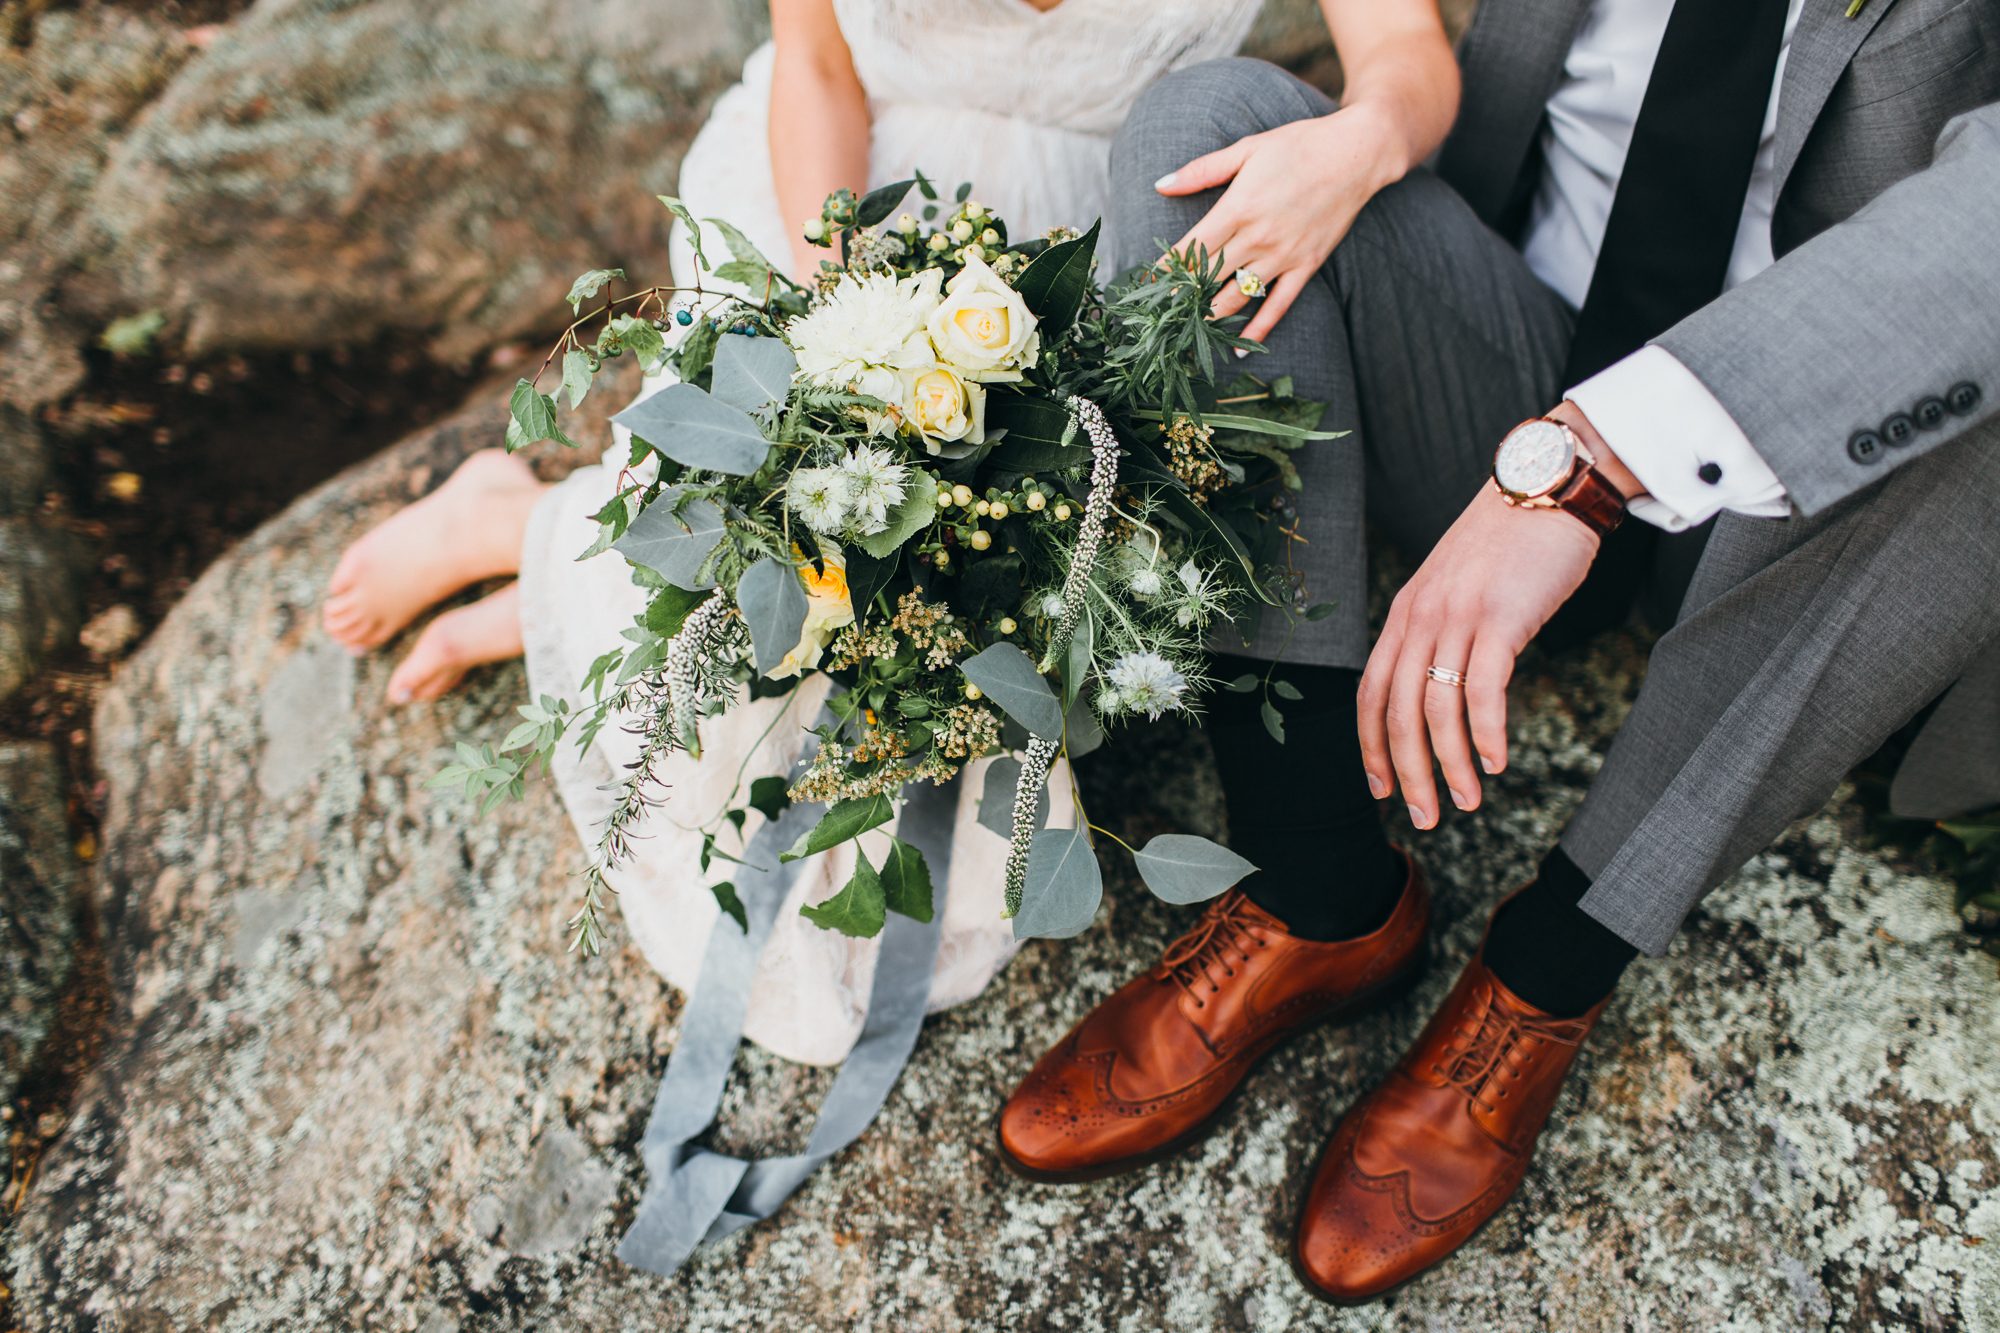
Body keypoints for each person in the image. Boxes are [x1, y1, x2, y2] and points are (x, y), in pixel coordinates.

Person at [997, 0, 2000, 1306]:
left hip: (1804, 466)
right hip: (1501, 341)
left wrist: (1596, 461)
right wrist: (1368, 128)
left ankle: (1546, 973)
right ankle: (1316, 891)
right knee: (1215, 131)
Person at [318, 0, 1282, 1065]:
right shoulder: (832, 224)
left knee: (955, 645)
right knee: (780, 569)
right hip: (836, 195)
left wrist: (1362, 142)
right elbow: (817, 64)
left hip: (1093, 263)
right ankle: (527, 528)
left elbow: (1406, 73)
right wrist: (844, 320)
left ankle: (529, 539)